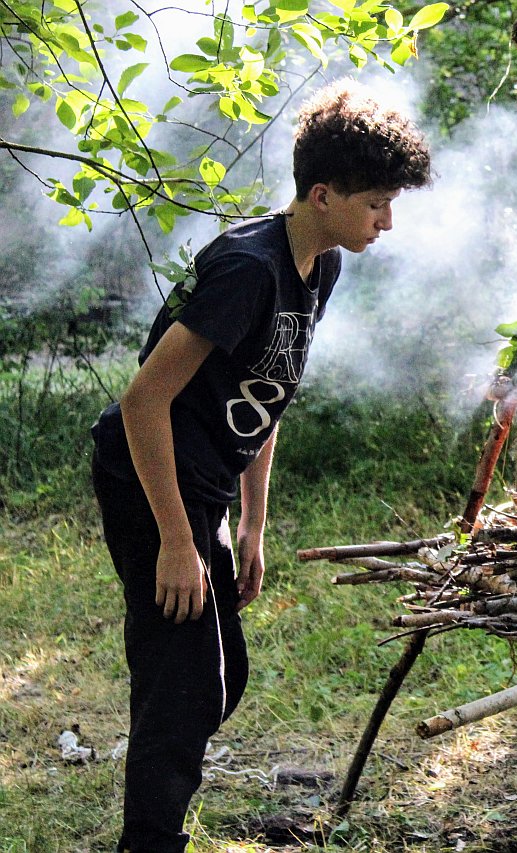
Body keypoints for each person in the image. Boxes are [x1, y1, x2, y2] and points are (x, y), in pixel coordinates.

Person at [89, 79, 432, 853]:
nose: (387, 220)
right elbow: (143, 403)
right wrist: (179, 539)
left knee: (223, 671)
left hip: (204, 481)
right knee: (182, 682)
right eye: (376, 202)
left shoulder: (320, 268)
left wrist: (251, 523)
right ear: (322, 194)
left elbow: (266, 391)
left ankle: (164, 778)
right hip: (147, 475)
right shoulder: (248, 269)